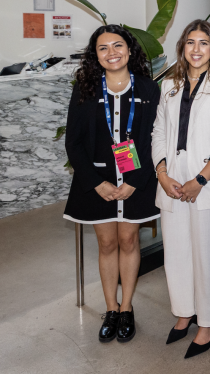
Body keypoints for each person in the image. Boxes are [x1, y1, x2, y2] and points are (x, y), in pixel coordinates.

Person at [63, 25, 160, 343]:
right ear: (96, 55)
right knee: (106, 245)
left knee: (129, 242)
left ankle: (127, 308)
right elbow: (74, 143)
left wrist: (135, 179)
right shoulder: (86, 89)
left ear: (130, 50)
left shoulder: (148, 89)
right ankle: (111, 308)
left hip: (135, 181)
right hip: (97, 182)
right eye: (103, 48)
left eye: (118, 46)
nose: (112, 53)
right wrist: (95, 183)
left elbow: (152, 140)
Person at [151, 20, 210, 358]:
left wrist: (199, 180)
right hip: (171, 181)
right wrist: (161, 172)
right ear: (182, 47)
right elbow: (159, 130)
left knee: (205, 255)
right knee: (176, 253)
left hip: (208, 184)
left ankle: (208, 321)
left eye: (204, 42)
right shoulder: (170, 83)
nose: (197, 49)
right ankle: (185, 312)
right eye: (191, 42)